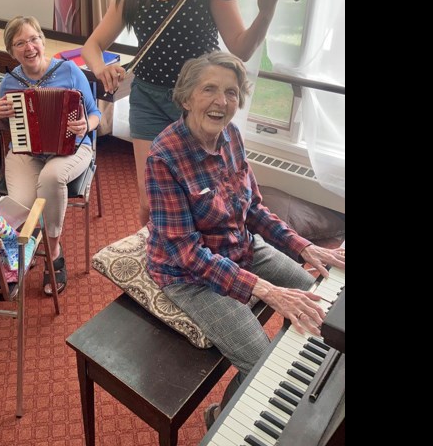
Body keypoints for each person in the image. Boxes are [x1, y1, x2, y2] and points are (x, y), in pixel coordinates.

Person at [144, 52, 345, 428]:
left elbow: (252, 207)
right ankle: (221, 416)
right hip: (188, 277)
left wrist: (303, 245)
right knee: (263, 366)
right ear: (186, 98)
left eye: (232, 92)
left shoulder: (231, 135)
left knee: (323, 308)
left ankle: (295, 360)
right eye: (210, 89)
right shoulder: (163, 157)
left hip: (241, 246)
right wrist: (266, 290)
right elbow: (187, 253)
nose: (222, 101)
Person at [83, 0, 285, 226]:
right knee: (151, 203)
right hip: (147, 99)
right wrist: (101, 68)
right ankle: (157, 266)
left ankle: (200, 264)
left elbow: (242, 48)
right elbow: (93, 45)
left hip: (199, 102)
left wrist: (266, 10)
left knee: (202, 199)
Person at [0, 15, 101, 295]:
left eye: (34, 39)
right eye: (20, 43)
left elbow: (95, 114)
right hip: (27, 150)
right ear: (11, 51)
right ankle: (21, 251)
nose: (29, 47)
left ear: (42, 40)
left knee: (50, 179)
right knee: (21, 204)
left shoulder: (70, 72)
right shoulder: (9, 82)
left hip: (73, 147)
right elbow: (6, 127)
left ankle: (53, 252)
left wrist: (86, 124)